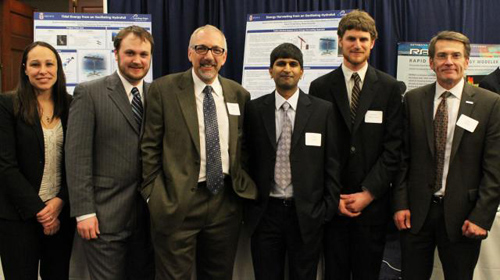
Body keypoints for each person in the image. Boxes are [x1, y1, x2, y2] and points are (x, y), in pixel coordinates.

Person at [141, 24, 257, 279]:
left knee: (218, 275)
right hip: (176, 202)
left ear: (225, 57)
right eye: (201, 48)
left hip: (225, 204)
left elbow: (245, 147)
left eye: (216, 50)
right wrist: (153, 195)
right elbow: (149, 146)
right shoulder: (164, 90)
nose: (208, 56)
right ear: (189, 53)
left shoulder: (239, 94)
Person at [393, 31, 500, 280]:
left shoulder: (490, 104)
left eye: (455, 55)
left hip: (464, 217)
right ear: (431, 62)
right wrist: (400, 204)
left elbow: (495, 168)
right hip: (415, 215)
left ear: (466, 61)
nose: (448, 61)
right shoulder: (413, 99)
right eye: (442, 56)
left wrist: (481, 218)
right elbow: (402, 159)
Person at [308, 10, 403, 280]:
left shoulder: (390, 88)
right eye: (351, 38)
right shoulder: (320, 87)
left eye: (363, 39)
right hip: (332, 205)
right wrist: (333, 196)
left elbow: (393, 149)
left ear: (373, 42)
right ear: (339, 41)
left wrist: (368, 193)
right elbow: (317, 148)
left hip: (372, 206)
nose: (357, 45)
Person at [244, 43, 340, 280]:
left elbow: (332, 163)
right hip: (266, 213)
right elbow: (245, 160)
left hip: (306, 214)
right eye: (280, 63)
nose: (287, 69)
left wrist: (326, 208)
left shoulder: (322, 110)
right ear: (270, 70)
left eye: (293, 64)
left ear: (302, 71)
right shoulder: (254, 110)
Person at [65, 25, 154, 279]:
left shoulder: (157, 94)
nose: (137, 60)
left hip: (148, 219)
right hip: (104, 217)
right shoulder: (90, 93)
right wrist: (84, 212)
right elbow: (77, 157)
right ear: (116, 54)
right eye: (130, 53)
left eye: (144, 54)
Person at [0, 41, 75, 279]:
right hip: (18, 216)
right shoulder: (6, 104)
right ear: (25, 69)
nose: (43, 70)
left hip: (62, 213)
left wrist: (60, 201)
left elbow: (78, 161)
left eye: (49, 64)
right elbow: (5, 165)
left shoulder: (72, 105)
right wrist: (41, 210)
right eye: (35, 64)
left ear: (58, 68)